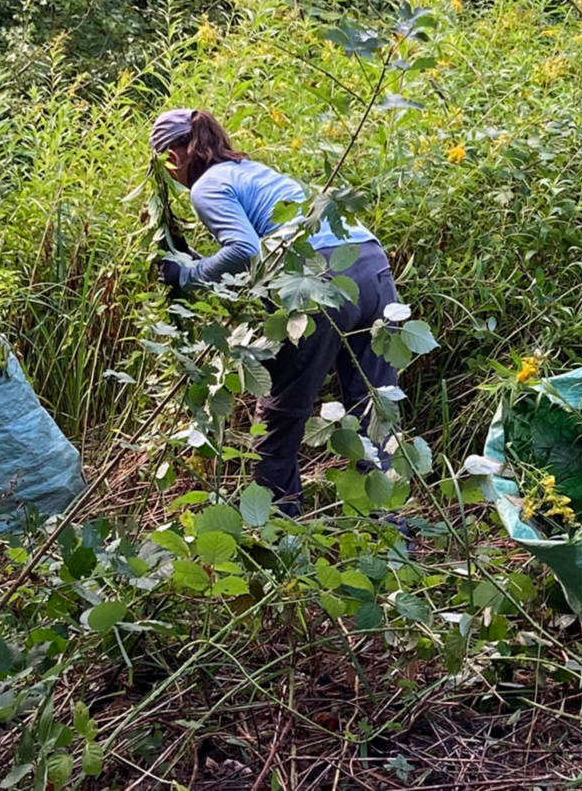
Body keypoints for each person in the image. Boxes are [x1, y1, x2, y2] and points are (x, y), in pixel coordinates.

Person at [149, 107, 401, 516]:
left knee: (280, 413)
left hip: (317, 280)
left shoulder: (206, 187)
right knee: (374, 408)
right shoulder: (251, 170)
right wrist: (205, 265)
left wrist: (187, 274)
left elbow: (244, 250)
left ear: (173, 156)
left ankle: (279, 527)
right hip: (370, 264)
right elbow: (260, 253)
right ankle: (390, 525)